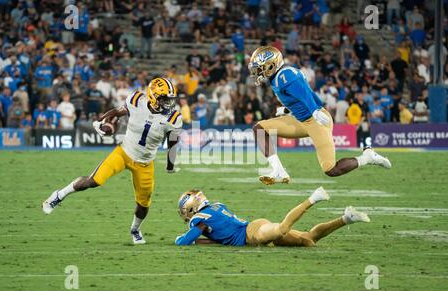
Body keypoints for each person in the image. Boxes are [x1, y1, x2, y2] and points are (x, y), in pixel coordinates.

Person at [42, 78, 182, 245]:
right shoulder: (136, 100)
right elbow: (116, 113)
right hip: (124, 152)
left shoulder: (174, 118)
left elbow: (173, 143)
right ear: (153, 96)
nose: (168, 103)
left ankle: (135, 230)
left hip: (145, 163)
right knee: (94, 181)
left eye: (169, 99)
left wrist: (170, 165)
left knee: (144, 204)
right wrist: (102, 122)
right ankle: (58, 195)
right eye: (164, 99)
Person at [248, 46, 391, 185]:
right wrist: (286, 110)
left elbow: (304, 94)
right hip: (301, 120)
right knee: (260, 129)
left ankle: (367, 157)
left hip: (316, 119)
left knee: (331, 169)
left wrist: (314, 111)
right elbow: (301, 97)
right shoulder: (279, 76)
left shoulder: (284, 75)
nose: (258, 72)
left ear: (271, 65)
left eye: (260, 68)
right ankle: (279, 171)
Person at [175, 187, 370, 246]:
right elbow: (218, 238)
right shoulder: (216, 207)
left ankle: (313, 198)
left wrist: (181, 240)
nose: (185, 213)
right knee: (308, 240)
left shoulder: (199, 218)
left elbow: (185, 241)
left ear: (191, 207)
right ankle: (346, 218)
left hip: (252, 233)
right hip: (253, 229)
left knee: (282, 229)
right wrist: (199, 242)